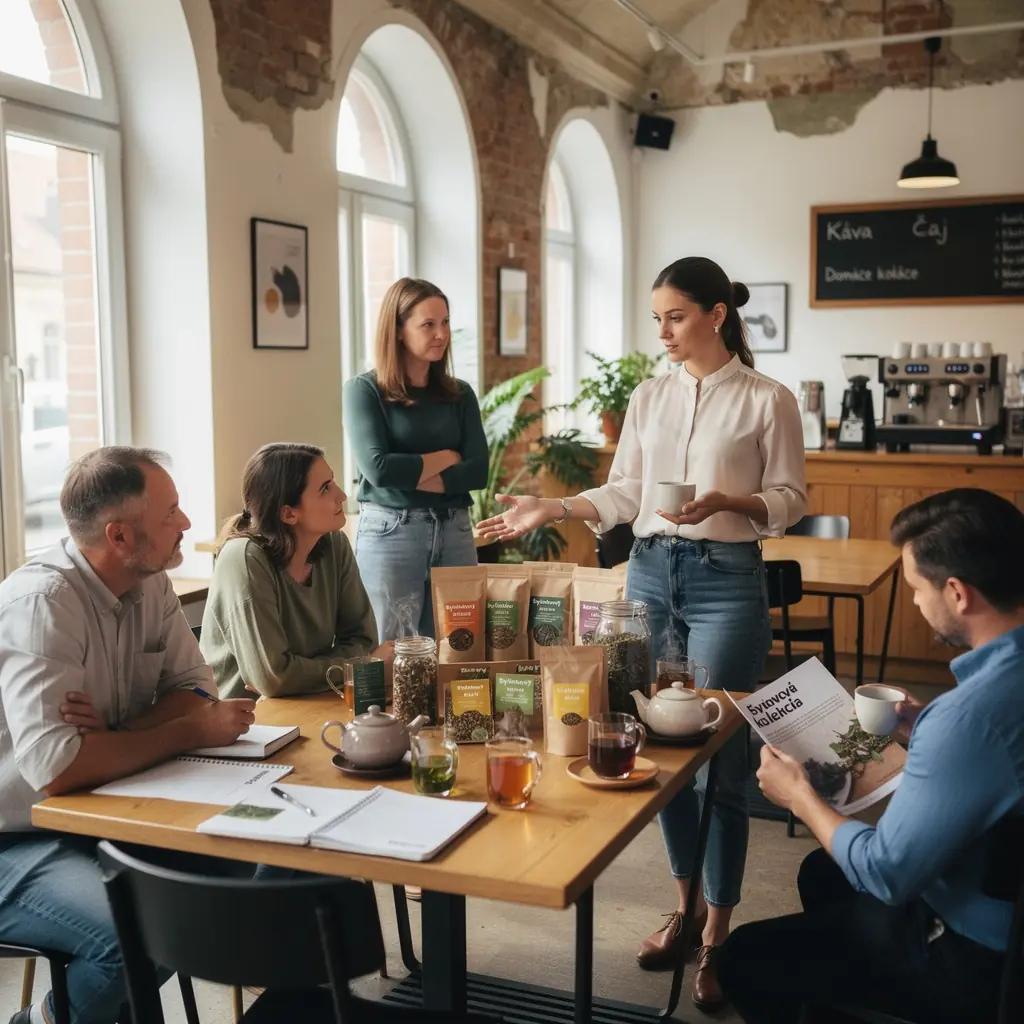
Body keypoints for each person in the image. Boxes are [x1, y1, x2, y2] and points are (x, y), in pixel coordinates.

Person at [478, 256, 805, 1011]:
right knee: (656, 747)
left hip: (727, 579)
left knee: (719, 759)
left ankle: (719, 931)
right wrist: (552, 510)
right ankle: (684, 907)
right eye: (656, 318)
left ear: (717, 314)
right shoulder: (649, 396)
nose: (662, 332)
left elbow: (789, 499)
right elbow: (626, 493)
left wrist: (732, 499)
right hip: (651, 574)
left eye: (676, 316)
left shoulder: (767, 399)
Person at [719, 488, 1024, 1024]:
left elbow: (887, 873)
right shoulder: (987, 699)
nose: (913, 602)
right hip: (1001, 902)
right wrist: (925, 723)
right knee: (823, 872)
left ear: (957, 593)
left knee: (745, 957)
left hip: (978, 957)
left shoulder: (968, 720)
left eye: (916, 588)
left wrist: (801, 799)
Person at [0, 447, 256, 1024]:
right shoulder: (42, 605)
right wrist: (185, 730)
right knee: (138, 935)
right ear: (119, 536)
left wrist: (116, 733)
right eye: (171, 513)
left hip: (100, 811)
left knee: (245, 879)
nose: (188, 523)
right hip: (16, 837)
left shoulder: (150, 580)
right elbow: (58, 769)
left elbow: (197, 688)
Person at [343, 277, 488, 640]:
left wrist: (409, 471)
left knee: (459, 646)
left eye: (445, 322)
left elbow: (478, 470)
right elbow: (377, 469)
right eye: (428, 324)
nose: (441, 333)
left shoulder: (460, 394)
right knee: (391, 651)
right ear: (397, 331)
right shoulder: (364, 391)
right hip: (392, 532)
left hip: (455, 531)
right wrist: (447, 456)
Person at [201, 442, 387, 699]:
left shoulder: (334, 544)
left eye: (332, 482)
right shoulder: (243, 559)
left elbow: (364, 641)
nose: (342, 495)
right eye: (325, 488)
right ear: (288, 514)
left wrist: (299, 673)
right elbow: (273, 679)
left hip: (312, 700)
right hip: (251, 725)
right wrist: (356, 667)